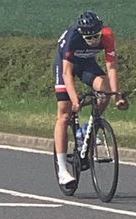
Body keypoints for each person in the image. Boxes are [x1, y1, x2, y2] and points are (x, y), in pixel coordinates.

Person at [53, 11, 128, 186]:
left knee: (106, 90)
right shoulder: (72, 38)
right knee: (64, 114)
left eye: (96, 36)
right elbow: (66, 73)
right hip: (66, 66)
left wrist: (117, 96)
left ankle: (87, 128)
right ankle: (63, 170)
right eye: (89, 37)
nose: (93, 40)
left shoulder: (107, 35)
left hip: (87, 65)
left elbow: (112, 68)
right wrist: (75, 101)